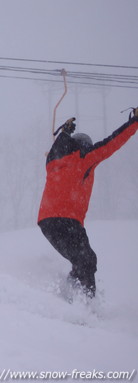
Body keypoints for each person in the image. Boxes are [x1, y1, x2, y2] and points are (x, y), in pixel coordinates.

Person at [38, 111, 138, 298]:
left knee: (82, 261)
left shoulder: (53, 160)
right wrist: (134, 122)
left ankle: (69, 297)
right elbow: (112, 143)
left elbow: (58, 147)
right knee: (86, 260)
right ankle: (84, 305)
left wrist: (64, 133)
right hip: (68, 221)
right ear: (85, 146)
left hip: (47, 222)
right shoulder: (84, 158)